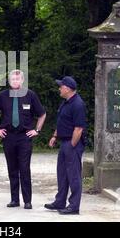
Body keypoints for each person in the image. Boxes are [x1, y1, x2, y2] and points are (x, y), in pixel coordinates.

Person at [0, 69, 46, 209]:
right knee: (12, 169)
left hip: (24, 137)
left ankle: (27, 201)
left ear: (22, 80)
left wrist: (36, 130)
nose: (15, 81)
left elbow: (42, 114)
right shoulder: (2, 96)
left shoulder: (30, 95)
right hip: (8, 137)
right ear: (9, 81)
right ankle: (14, 200)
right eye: (12, 79)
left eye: (17, 79)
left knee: (24, 168)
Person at [45, 76, 87, 215]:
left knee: (73, 175)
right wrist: (55, 136)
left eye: (61, 86)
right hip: (64, 142)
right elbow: (61, 122)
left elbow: (79, 128)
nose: (59, 88)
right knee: (62, 174)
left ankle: (74, 206)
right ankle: (60, 201)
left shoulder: (78, 104)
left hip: (72, 143)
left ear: (67, 89)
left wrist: (72, 145)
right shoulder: (66, 102)